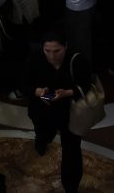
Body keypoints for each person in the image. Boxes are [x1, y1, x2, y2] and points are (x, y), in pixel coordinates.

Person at [25, 29, 91, 193]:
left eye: (57, 51)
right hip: (43, 110)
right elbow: (24, 82)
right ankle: (41, 141)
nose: (52, 56)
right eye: (48, 51)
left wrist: (67, 93)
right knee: (43, 132)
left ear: (66, 47)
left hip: (69, 113)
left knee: (72, 151)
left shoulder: (76, 59)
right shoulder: (36, 58)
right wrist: (40, 92)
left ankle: (70, 187)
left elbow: (86, 85)